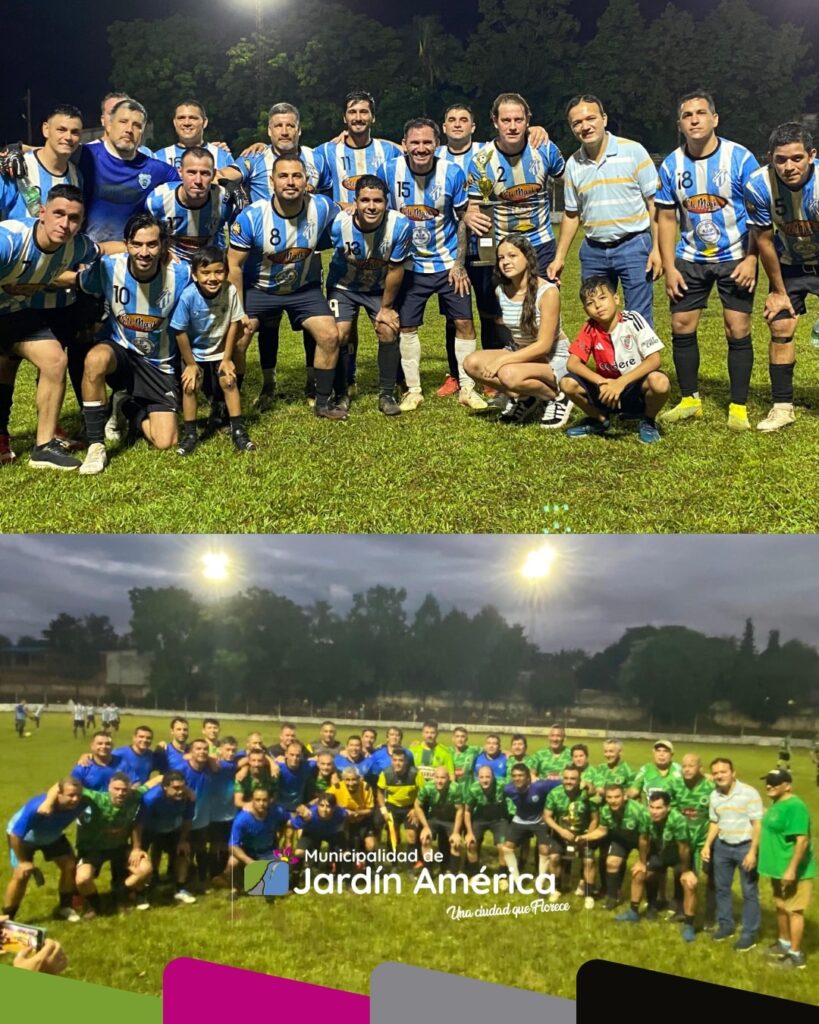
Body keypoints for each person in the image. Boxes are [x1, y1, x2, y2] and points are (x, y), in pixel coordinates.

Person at [655, 92, 759, 431]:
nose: (695, 119)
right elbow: (667, 219)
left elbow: (760, 214)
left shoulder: (740, 158)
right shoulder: (671, 164)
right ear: (680, 124)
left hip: (736, 256)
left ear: (715, 118)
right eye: (687, 115)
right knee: (682, 326)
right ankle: (690, 400)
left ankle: (738, 406)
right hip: (689, 258)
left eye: (701, 113)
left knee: (737, 327)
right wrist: (670, 267)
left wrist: (752, 258)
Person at [220, 102, 331, 409]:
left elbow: (332, 195)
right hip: (261, 262)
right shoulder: (255, 158)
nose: (284, 131)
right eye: (278, 126)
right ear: (269, 131)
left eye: (290, 125)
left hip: (304, 257)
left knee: (313, 324)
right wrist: (213, 160)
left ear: (299, 129)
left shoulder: (316, 157)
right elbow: (225, 174)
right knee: (265, 327)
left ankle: (313, 382)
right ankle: (267, 386)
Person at [227, 154, 345, 420]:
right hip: (259, 289)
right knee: (238, 339)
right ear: (272, 181)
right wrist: (238, 310)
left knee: (329, 335)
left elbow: (348, 212)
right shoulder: (252, 217)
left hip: (303, 290)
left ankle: (322, 402)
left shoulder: (323, 207)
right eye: (283, 176)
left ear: (306, 181)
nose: (290, 182)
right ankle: (232, 404)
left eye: (296, 176)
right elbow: (233, 266)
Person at [379, 117, 485, 411]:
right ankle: (413, 390)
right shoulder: (390, 170)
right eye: (415, 142)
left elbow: (463, 217)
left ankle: (468, 387)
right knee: (408, 327)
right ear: (404, 145)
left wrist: (460, 263)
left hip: (448, 262)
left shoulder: (451, 173)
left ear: (436, 145)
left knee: (464, 322)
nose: (421, 148)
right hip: (410, 266)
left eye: (427, 142)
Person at [75, 213, 190, 474]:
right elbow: (76, 281)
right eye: (137, 244)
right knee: (95, 359)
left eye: (152, 244)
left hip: (159, 364)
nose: (144, 252)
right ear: (126, 244)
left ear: (163, 246)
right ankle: (96, 447)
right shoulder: (108, 267)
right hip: (122, 354)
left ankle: (126, 405)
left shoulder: (181, 274)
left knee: (166, 441)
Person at [0, 184, 98, 470]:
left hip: (13, 311)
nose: (65, 224)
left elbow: (103, 249)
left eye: (73, 218)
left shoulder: (76, 245)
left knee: (55, 360)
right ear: (42, 213)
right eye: (58, 214)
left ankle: (43, 448)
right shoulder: (9, 241)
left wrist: (150, 251)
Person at [547, 94, 661, 324]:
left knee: (638, 318)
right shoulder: (573, 164)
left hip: (633, 246)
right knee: (598, 317)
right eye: (577, 123)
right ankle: (607, 361)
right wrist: (559, 258)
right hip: (593, 251)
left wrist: (658, 249)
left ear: (604, 119)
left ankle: (641, 361)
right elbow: (571, 214)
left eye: (591, 118)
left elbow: (654, 203)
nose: (585, 126)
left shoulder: (633, 151)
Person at [744, 122, 819, 430]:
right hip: (789, 261)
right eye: (781, 160)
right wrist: (778, 290)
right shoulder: (758, 186)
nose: (789, 167)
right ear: (770, 158)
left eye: (797, 158)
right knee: (781, 322)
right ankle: (782, 407)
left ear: (812, 155)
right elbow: (763, 239)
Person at [325, 175, 413, 415]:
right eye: (365, 200)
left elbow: (396, 269)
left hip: (379, 287)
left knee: (387, 328)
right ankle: (342, 391)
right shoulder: (338, 224)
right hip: (344, 286)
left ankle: (386, 394)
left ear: (387, 203)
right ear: (355, 201)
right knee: (340, 333)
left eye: (378, 201)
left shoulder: (401, 225)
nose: (371, 206)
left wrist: (386, 308)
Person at [463, 234, 571, 427]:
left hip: (553, 358)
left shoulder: (548, 292)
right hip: (522, 354)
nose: (505, 262)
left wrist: (503, 360)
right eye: (501, 258)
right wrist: (505, 356)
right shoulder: (501, 291)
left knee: (508, 374)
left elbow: (544, 346)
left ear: (527, 258)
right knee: (471, 363)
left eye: (512, 256)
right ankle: (526, 397)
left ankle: (557, 397)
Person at [562, 275, 669, 442]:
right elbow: (573, 364)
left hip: (632, 387)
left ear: (616, 298)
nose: (598, 305)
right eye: (590, 303)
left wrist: (621, 383)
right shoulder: (589, 327)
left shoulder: (632, 320)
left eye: (602, 298)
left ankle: (647, 420)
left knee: (660, 382)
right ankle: (599, 420)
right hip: (605, 390)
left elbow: (654, 360)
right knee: (567, 383)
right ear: (585, 310)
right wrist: (601, 382)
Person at [171, 245, 255, 454]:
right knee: (190, 386)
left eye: (218, 272)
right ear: (194, 274)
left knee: (229, 381)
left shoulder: (230, 291)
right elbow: (179, 331)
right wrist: (190, 364)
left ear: (226, 272)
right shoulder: (188, 296)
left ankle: (238, 430)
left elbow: (234, 323)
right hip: (196, 353)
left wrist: (227, 358)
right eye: (205, 272)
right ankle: (190, 434)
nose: (212, 278)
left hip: (219, 350)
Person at [701, 757, 763, 951]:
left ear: (733, 773)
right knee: (722, 888)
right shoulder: (714, 795)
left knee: (749, 892)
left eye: (723, 771)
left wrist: (753, 851)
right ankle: (726, 925)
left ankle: (749, 933)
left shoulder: (749, 793)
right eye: (716, 773)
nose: (720, 776)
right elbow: (715, 822)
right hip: (722, 847)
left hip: (745, 846)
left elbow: (757, 824)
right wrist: (707, 845)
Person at [617, 792, 696, 941]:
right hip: (661, 853)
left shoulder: (678, 820)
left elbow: (684, 848)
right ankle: (633, 912)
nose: (654, 811)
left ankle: (689, 924)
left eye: (659, 808)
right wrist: (642, 862)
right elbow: (643, 839)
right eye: (651, 807)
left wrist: (686, 871)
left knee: (689, 884)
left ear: (668, 807)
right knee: (638, 873)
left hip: (680, 856)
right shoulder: (646, 817)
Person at [4, 778, 85, 921]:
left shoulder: (81, 803)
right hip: (24, 839)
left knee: (70, 865)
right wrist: (23, 862)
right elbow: (16, 835)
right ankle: (7, 918)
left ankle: (65, 907)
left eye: (78, 795)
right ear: (58, 794)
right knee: (21, 875)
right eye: (71, 795)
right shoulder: (37, 808)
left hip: (52, 836)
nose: (75, 799)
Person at [72, 772, 152, 917]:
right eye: (116, 789)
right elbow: (62, 787)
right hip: (92, 849)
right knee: (83, 879)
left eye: (124, 790)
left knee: (145, 868)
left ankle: (121, 893)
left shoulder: (133, 796)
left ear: (130, 790)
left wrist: (188, 791)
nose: (120, 793)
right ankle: (95, 904)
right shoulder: (96, 798)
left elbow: (157, 780)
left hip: (118, 847)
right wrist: (48, 802)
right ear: (108, 788)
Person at [757, 768, 814, 970]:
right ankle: (784, 943)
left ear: (787, 785)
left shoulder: (796, 806)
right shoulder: (777, 803)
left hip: (793, 870)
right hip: (777, 868)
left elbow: (802, 841)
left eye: (775, 782)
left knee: (794, 911)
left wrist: (791, 870)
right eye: (768, 781)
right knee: (781, 906)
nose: (769, 785)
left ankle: (796, 955)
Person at [144, 148, 230, 264]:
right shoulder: (157, 200)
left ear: (214, 174)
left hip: (209, 266)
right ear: (180, 172)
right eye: (191, 172)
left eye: (205, 173)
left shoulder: (225, 200)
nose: (198, 180)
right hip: (170, 264)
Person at [134, 770, 196, 905]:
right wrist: (137, 848)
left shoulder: (188, 797)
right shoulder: (150, 799)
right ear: (165, 787)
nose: (180, 791)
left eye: (182, 787)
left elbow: (187, 820)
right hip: (148, 830)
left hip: (171, 828)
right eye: (176, 788)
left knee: (183, 851)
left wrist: (183, 840)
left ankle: (181, 888)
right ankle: (139, 893)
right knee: (139, 860)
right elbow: (138, 824)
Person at [581, 783, 646, 909]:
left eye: (617, 797)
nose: (613, 801)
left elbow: (645, 838)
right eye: (609, 797)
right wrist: (583, 837)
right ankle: (612, 897)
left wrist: (642, 860)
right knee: (611, 862)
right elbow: (602, 830)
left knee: (647, 870)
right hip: (622, 839)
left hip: (642, 839)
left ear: (625, 796)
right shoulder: (605, 810)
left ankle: (652, 900)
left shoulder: (638, 811)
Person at [669, 754, 716, 925]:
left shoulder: (711, 786)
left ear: (700, 768)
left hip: (705, 839)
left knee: (711, 874)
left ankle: (711, 915)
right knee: (680, 871)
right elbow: (670, 807)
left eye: (692, 765)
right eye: (684, 766)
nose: (687, 769)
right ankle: (681, 910)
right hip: (683, 838)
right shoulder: (675, 784)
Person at [544, 766, 598, 906]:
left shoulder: (586, 796)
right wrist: (560, 830)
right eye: (566, 778)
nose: (569, 781)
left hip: (583, 833)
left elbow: (594, 818)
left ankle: (588, 894)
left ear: (580, 780)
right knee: (554, 858)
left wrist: (588, 836)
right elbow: (547, 816)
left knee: (589, 862)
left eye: (573, 779)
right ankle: (556, 888)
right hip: (561, 832)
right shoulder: (554, 793)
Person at [501, 764, 559, 887]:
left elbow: (563, 783)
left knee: (544, 850)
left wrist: (585, 784)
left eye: (521, 775)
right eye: (514, 776)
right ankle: (516, 879)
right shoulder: (508, 789)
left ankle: (541, 882)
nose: (517, 778)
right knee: (506, 848)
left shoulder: (540, 786)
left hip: (539, 820)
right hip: (520, 820)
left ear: (528, 778)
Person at [225, 787, 290, 885]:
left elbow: (290, 819)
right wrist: (249, 861)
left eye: (264, 800)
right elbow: (232, 846)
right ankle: (235, 888)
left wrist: (287, 838)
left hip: (267, 851)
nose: (261, 803)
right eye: (258, 800)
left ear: (270, 800)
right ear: (252, 800)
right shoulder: (242, 819)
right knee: (232, 863)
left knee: (284, 864)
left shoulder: (276, 811)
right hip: (247, 851)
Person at [153, 100, 234, 170]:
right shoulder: (158, 158)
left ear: (204, 122)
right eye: (181, 118)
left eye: (193, 118)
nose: (186, 123)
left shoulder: (222, 157)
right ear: (174, 122)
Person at [463, 764, 510, 874]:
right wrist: (469, 832)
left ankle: (503, 875)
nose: (485, 780)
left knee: (503, 847)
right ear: (477, 778)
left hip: (499, 819)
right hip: (480, 819)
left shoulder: (502, 784)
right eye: (482, 777)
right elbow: (467, 811)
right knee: (471, 844)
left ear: (493, 777)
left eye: (488, 777)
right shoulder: (473, 789)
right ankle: (474, 873)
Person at [414, 767, 464, 869]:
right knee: (425, 839)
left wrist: (456, 832)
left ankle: (454, 875)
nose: (439, 781)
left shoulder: (455, 788)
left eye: (443, 778)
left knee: (455, 843)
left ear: (448, 778)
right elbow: (417, 805)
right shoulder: (427, 787)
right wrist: (425, 827)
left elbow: (460, 810)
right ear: (433, 778)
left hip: (450, 820)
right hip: (433, 819)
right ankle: (428, 872)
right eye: (437, 777)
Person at [376, 748, 419, 855]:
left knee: (411, 836)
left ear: (406, 761)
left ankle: (411, 864)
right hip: (392, 807)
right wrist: (383, 810)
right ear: (391, 760)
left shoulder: (415, 773)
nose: (397, 763)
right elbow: (380, 793)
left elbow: (422, 793)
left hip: (410, 807)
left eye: (400, 760)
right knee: (392, 835)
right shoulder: (385, 773)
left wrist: (415, 809)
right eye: (395, 760)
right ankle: (393, 863)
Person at [328, 767, 377, 853]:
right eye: (347, 780)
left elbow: (370, 810)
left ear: (359, 778)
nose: (351, 783)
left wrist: (357, 813)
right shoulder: (336, 788)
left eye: (354, 779)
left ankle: (370, 865)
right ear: (343, 779)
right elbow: (325, 803)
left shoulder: (366, 787)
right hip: (343, 821)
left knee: (371, 845)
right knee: (344, 847)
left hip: (363, 819)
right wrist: (344, 812)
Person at [408, 720, 455, 785]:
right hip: (417, 791)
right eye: (426, 732)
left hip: (436, 792)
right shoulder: (413, 750)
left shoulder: (445, 752)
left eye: (432, 733)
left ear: (437, 734)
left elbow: (451, 775)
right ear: (422, 733)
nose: (429, 735)